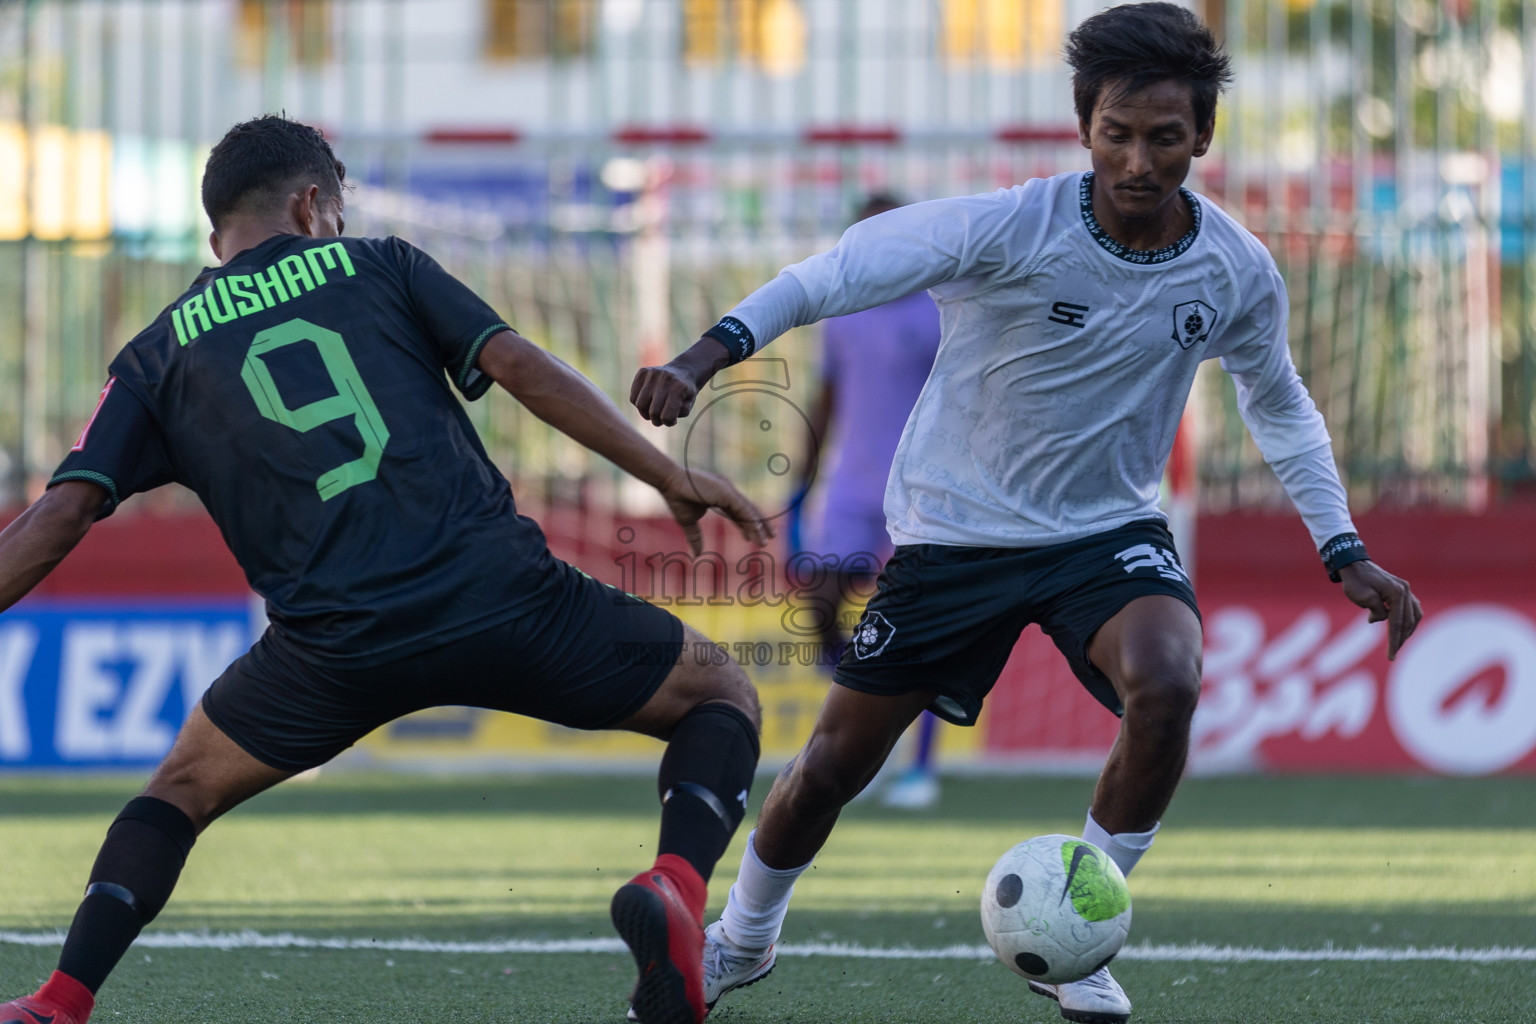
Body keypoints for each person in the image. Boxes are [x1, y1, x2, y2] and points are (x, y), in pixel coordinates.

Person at [629, 6, 1422, 1022]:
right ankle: (744, 936)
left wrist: (1341, 544)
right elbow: (835, 274)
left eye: (1165, 137)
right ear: (1085, 127)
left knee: (1170, 682)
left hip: (1106, 533)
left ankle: (1081, 929)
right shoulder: (1008, 226)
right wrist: (703, 357)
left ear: (1203, 138)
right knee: (831, 767)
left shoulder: (1233, 267)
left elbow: (1279, 401)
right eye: (1117, 133)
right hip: (958, 533)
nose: (1139, 159)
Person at [0, 115, 768, 1024]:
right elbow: (521, 367)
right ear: (312, 202)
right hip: (503, 597)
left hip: (332, 651)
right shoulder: (380, 265)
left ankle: (59, 999)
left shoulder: (157, 355)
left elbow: (62, 513)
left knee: (179, 790)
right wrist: (669, 475)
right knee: (720, 696)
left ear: (216, 236)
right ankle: (677, 884)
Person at [789, 193, 946, 809]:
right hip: (852, 486)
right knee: (821, 606)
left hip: (923, 487)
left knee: (925, 625)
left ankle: (920, 769)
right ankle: (866, 736)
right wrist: (801, 482)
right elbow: (826, 396)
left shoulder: (938, 309)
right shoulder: (844, 311)